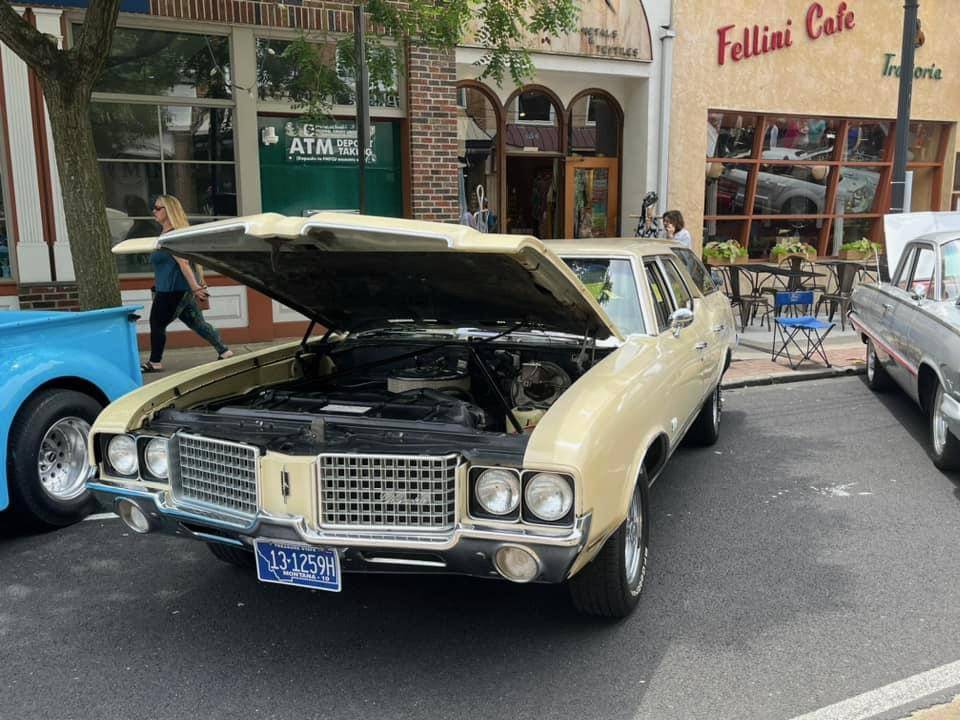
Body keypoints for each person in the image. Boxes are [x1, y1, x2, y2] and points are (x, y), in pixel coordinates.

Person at [141, 194, 232, 373]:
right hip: (175, 289)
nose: (154, 211)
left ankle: (155, 362)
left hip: (172, 291)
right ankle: (224, 351)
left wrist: (196, 287)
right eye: (154, 208)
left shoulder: (173, 235)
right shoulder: (165, 234)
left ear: (169, 211)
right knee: (197, 323)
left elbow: (183, 263)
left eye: (158, 208)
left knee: (157, 323)